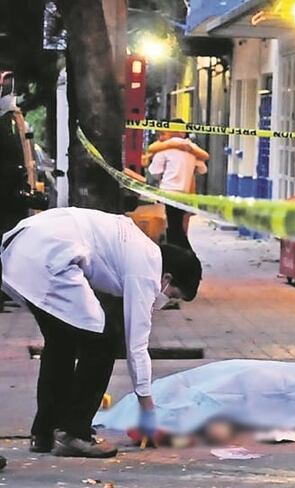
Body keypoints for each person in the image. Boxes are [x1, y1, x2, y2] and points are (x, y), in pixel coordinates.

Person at [1, 204, 202, 457]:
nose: (164, 301)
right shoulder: (147, 269)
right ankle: (74, 432)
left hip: (19, 252)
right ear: (167, 278)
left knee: (61, 341)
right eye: (171, 295)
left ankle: (44, 432)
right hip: (49, 257)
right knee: (104, 342)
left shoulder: (134, 245)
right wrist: (148, 414)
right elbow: (136, 346)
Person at [144, 120, 208, 253]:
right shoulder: (192, 150)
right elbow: (203, 169)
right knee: (179, 228)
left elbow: (154, 172)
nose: (161, 137)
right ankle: (184, 259)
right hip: (185, 195)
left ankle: (186, 259)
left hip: (167, 194)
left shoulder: (164, 150)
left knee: (172, 231)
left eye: (163, 133)